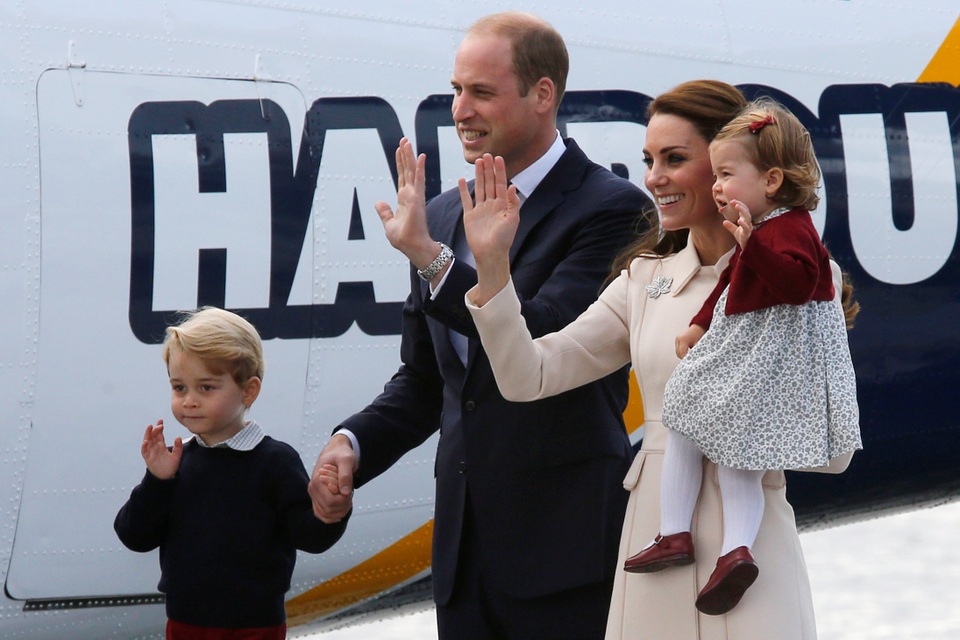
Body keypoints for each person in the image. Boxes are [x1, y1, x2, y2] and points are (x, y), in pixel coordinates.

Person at [462, 80, 857, 639]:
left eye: (676, 159)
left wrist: (737, 429)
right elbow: (531, 376)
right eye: (650, 160)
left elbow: (834, 451)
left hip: (752, 559)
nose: (654, 178)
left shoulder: (809, 279)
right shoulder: (645, 280)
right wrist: (493, 269)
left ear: (735, 166)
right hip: (654, 549)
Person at [307, 11, 647, 639]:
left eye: (481, 92)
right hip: (464, 561)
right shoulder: (439, 214)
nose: (459, 109)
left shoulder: (613, 209)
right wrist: (351, 447)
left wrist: (432, 261)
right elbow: (426, 383)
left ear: (543, 95)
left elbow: (542, 342)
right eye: (456, 89)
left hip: (565, 555)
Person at [623, 98, 862, 616]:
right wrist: (700, 321)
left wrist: (750, 245)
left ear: (772, 179)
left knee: (696, 424)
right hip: (746, 347)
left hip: (767, 358)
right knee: (725, 451)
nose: (717, 187)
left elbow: (794, 285)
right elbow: (731, 285)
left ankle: (693, 539)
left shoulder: (790, 228)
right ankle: (720, 549)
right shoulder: (756, 234)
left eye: (726, 174)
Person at [114, 307, 347, 640]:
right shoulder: (177, 464)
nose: (189, 401)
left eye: (206, 388)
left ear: (249, 391)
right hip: (185, 623)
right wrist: (158, 480)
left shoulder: (275, 463)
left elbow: (308, 537)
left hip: (256, 626)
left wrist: (331, 513)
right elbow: (134, 536)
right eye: (179, 388)